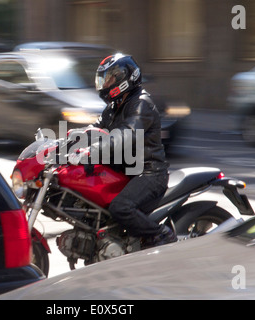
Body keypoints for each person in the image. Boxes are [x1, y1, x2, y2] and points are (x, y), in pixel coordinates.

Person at [69, 53, 177, 248]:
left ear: (123, 79)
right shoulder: (114, 106)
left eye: (109, 79)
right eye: (103, 79)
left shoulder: (141, 104)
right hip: (125, 170)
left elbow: (125, 135)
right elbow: (96, 128)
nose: (104, 83)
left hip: (149, 172)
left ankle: (161, 234)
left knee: (121, 207)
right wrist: (71, 140)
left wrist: (92, 151)